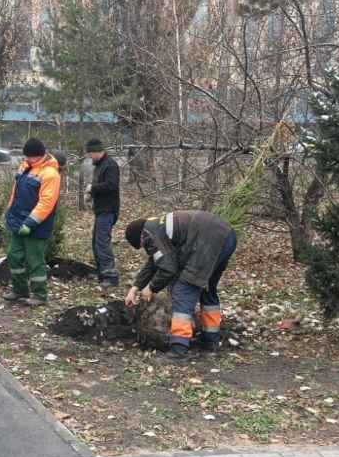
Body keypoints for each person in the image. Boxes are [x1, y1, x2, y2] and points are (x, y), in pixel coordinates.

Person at [124, 211, 237, 365]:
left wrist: (151, 288)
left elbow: (167, 268)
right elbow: (155, 261)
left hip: (208, 241)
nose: (146, 248)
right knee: (207, 289)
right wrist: (135, 289)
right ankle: (210, 340)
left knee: (183, 291)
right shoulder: (155, 226)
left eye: (143, 246)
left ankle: (178, 351)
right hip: (226, 235)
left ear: (141, 237)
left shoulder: (150, 234)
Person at [3, 137, 61, 307]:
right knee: (13, 256)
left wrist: (30, 223)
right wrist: (9, 208)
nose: (27, 159)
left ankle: (39, 294)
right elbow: (16, 191)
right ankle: (20, 289)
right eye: (26, 156)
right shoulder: (25, 166)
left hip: (36, 226)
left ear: (40, 155)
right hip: (17, 222)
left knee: (35, 261)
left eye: (30, 157)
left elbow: (46, 202)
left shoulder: (50, 174)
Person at [84, 138, 120, 286]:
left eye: (90, 153)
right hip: (101, 210)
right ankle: (102, 273)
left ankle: (111, 277)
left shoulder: (110, 165)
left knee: (102, 242)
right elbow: (101, 185)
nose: (89, 157)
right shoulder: (100, 165)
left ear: (97, 151)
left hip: (108, 210)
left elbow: (112, 184)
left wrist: (92, 188)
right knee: (96, 242)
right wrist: (91, 194)